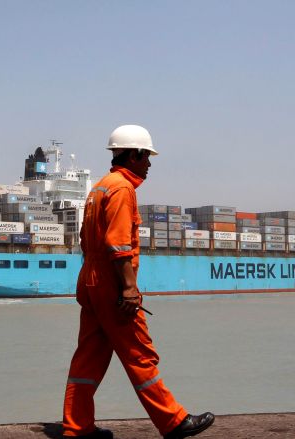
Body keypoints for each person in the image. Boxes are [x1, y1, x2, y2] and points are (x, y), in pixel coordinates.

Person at [62, 125, 214, 438]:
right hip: (111, 283)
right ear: (133, 154)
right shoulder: (122, 189)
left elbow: (85, 240)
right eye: (146, 156)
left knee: (88, 357)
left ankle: (77, 429)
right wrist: (129, 289)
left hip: (89, 281)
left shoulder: (99, 189)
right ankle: (173, 422)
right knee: (139, 355)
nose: (149, 164)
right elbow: (118, 245)